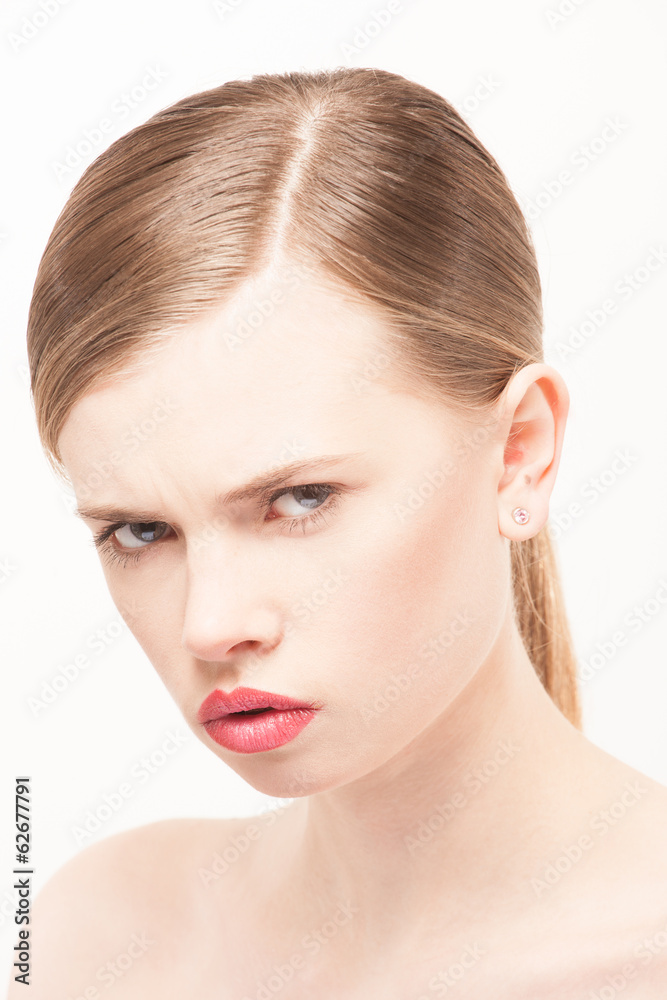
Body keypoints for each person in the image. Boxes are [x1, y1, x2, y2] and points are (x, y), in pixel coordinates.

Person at [13, 66, 667, 998]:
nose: (209, 625)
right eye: (140, 531)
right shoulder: (88, 940)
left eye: (301, 499)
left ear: (520, 452)